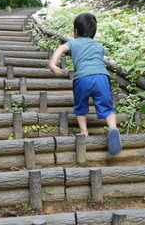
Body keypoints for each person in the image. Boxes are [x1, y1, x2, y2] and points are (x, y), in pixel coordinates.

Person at [48, 13, 122, 156]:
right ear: (94, 32)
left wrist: (53, 64)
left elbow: (60, 49)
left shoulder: (73, 43)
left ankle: (84, 132)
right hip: (102, 77)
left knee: (81, 106)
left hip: (82, 78)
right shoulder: (99, 46)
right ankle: (113, 128)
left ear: (76, 31)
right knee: (107, 108)